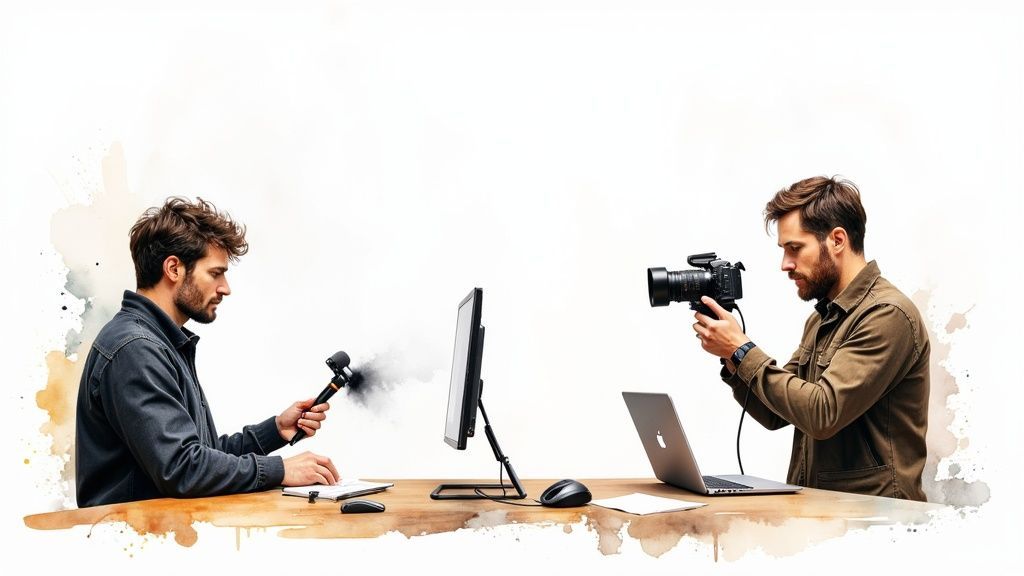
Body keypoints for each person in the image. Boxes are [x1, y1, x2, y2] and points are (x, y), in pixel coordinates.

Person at [76, 197, 339, 507]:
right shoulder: (136, 349)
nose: (225, 288)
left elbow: (202, 455)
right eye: (216, 273)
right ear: (173, 268)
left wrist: (275, 431)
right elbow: (183, 469)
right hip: (135, 545)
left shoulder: (160, 344)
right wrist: (281, 470)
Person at [691, 176, 930, 501]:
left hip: (876, 519)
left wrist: (741, 348)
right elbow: (777, 414)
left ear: (837, 240)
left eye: (795, 248)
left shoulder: (887, 314)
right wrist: (732, 357)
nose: (785, 264)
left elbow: (822, 413)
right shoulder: (821, 319)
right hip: (820, 510)